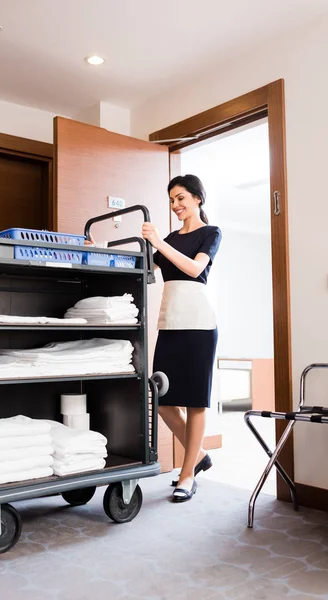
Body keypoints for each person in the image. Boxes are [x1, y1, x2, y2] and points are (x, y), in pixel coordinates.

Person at [142, 174, 221, 503]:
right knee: (162, 398)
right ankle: (199, 454)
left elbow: (193, 269)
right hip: (169, 323)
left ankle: (187, 474)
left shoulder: (210, 233)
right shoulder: (171, 237)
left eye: (181, 198)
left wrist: (159, 243)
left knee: (194, 400)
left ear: (197, 199)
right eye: (172, 200)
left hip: (199, 324)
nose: (175, 205)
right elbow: (146, 269)